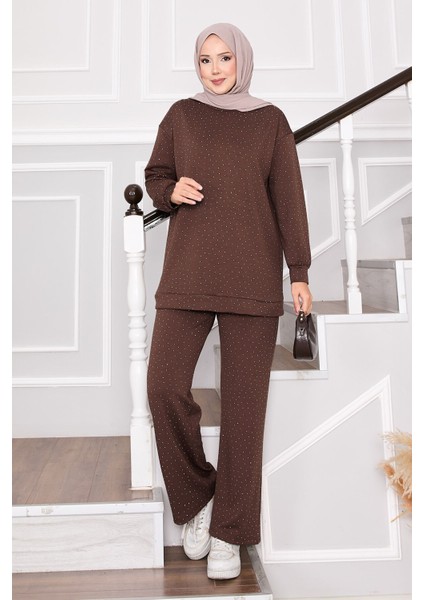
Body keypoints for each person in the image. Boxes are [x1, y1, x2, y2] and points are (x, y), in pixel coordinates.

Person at [145, 22, 312, 580]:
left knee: (244, 413)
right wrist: (168, 191)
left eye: (224, 58)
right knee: (163, 386)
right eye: (204, 60)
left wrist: (299, 271)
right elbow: (157, 173)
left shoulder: (271, 121)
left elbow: (289, 198)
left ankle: (230, 533)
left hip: (253, 277)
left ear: (242, 60)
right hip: (189, 270)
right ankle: (197, 500)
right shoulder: (181, 115)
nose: (215, 69)